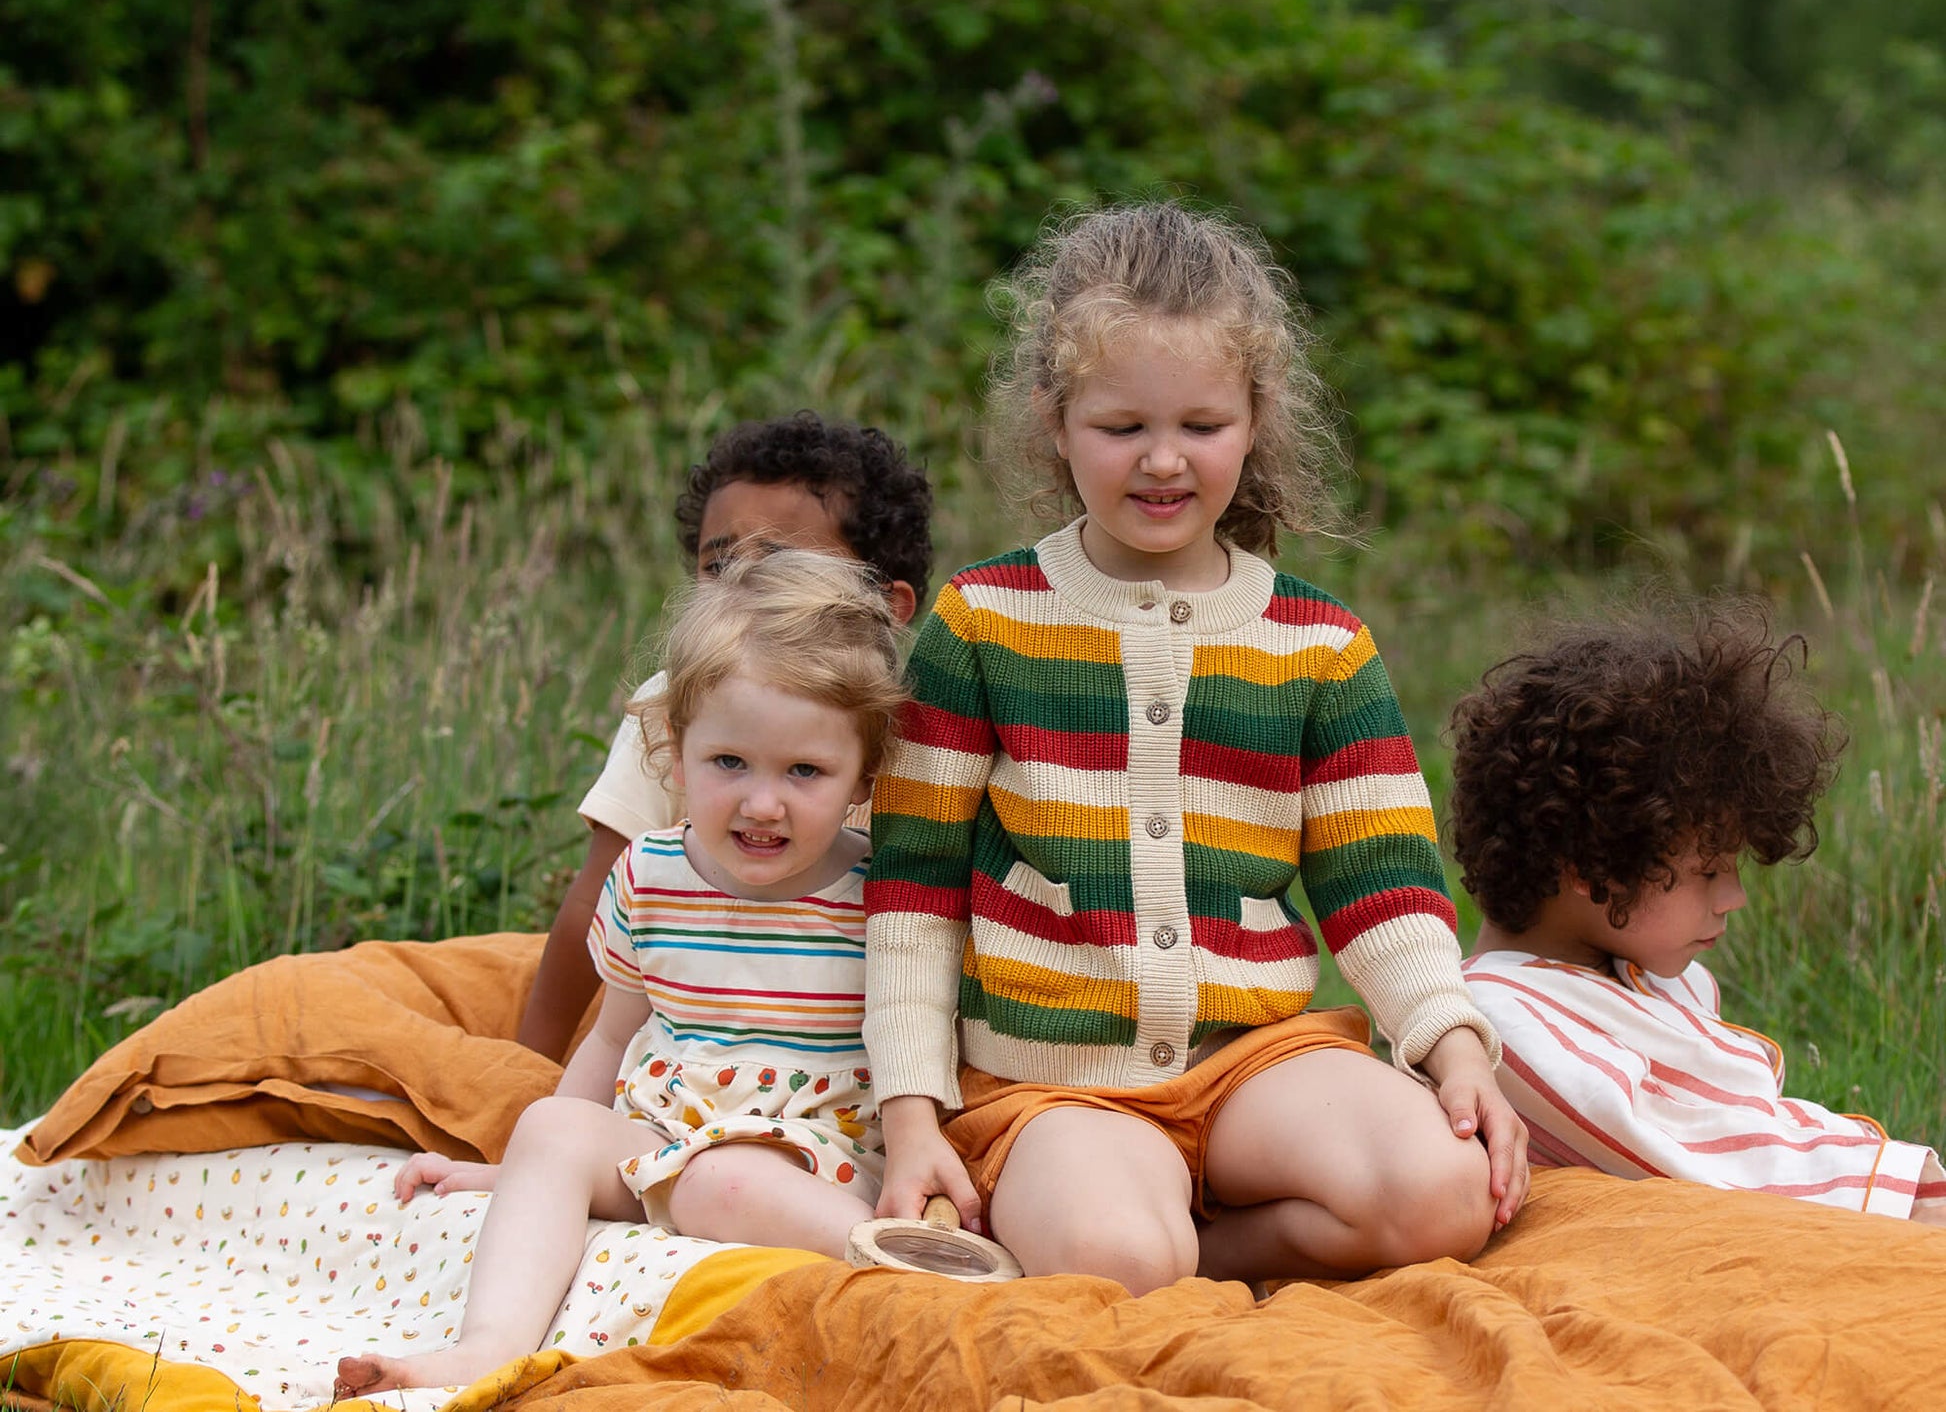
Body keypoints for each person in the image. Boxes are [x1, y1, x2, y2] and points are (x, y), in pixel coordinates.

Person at [863, 199, 1527, 1296]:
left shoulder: (1317, 645)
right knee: (1119, 1256)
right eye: (1121, 426)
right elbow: (913, 893)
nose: (1162, 461)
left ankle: (1206, 1253)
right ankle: (1139, 1238)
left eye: (1202, 426)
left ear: (1255, 417)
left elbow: (1383, 885)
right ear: (1054, 418)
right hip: (1054, 1086)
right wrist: (910, 1112)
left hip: (1253, 1064)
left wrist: (1450, 1045)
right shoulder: (982, 622)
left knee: (1444, 1192)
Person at [335, 551, 906, 1396]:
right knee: (551, 1128)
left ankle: (902, 1263)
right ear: (676, 756)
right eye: (729, 764)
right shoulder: (650, 875)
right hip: (662, 1138)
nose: (761, 803)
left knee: (726, 1178)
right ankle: (485, 1347)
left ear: (864, 775)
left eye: (805, 773)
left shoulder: (877, 896)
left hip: (806, 1158)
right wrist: (532, 1164)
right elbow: (613, 1031)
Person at [1449, 606, 1946, 1223]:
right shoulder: (1501, 1021)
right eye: (1708, 871)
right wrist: (1909, 1195)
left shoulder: (1654, 973)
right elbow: (1694, 1160)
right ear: (1590, 866)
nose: (1733, 897)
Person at [517, 412, 934, 1058]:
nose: (744, 583)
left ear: (889, 607)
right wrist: (530, 1063)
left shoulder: (912, 725)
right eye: (719, 564)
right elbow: (590, 902)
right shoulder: (678, 702)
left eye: (782, 563)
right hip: (687, 1015)